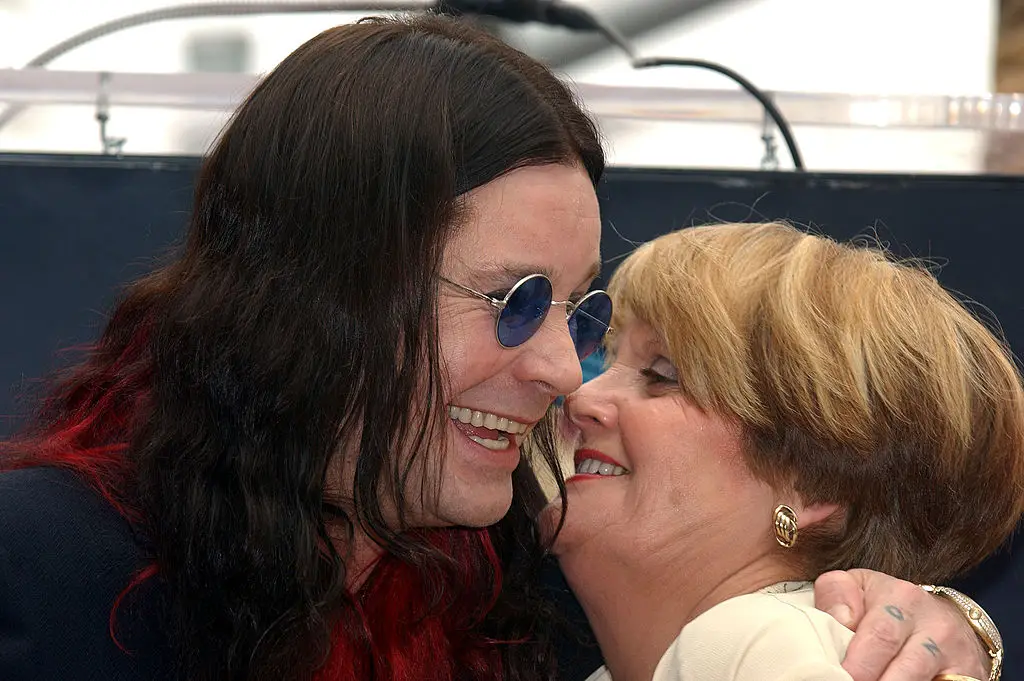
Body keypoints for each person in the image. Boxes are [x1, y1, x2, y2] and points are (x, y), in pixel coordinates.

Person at [0, 14, 994, 681]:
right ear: (330, 290)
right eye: (514, 300)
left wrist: (931, 620)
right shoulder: (46, 573)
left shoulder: (516, 583)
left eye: (576, 311)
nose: (567, 372)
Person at [550, 221, 1022, 681]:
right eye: (610, 357)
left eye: (662, 373)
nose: (582, 398)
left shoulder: (750, 644)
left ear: (817, 483)